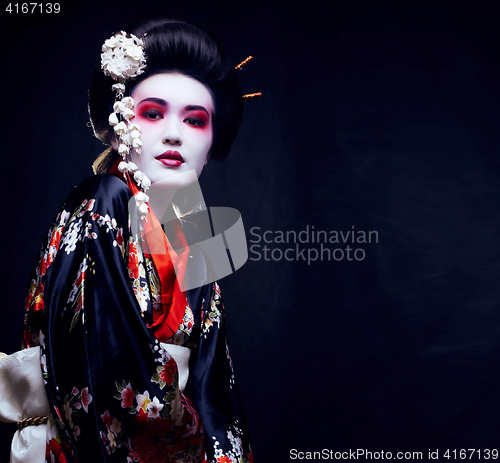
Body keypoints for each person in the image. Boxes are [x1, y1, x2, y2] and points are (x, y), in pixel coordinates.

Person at [19, 15, 254, 463]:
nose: (173, 134)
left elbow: (213, 382)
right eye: (153, 112)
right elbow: (102, 365)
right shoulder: (99, 203)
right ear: (118, 123)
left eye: (195, 120)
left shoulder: (193, 229)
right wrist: (188, 436)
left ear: (211, 140)